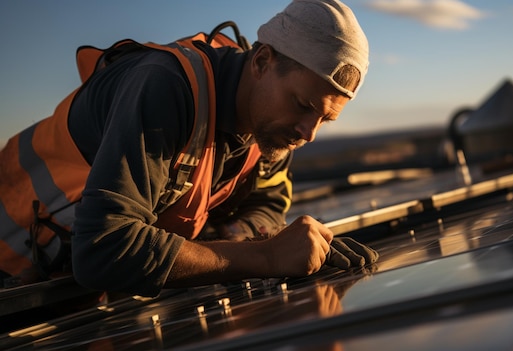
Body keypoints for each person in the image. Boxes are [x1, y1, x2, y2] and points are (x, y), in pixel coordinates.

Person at [0, 0, 378, 298]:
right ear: (262, 61)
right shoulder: (167, 88)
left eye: (325, 119)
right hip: (12, 280)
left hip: (74, 302)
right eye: (303, 105)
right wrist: (266, 256)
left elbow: (268, 204)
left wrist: (249, 243)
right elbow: (102, 250)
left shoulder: (272, 129)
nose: (308, 132)